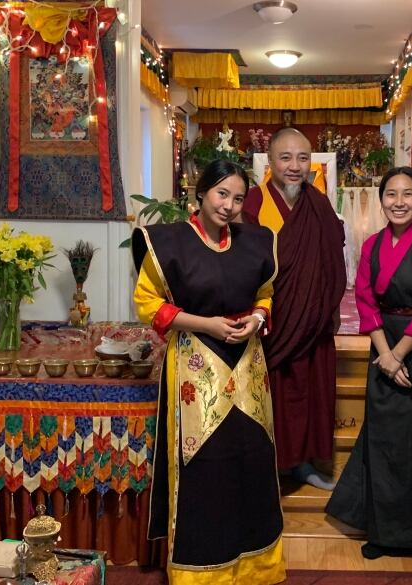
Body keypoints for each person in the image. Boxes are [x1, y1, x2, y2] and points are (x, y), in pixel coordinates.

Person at [132, 160, 285, 585]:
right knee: (202, 465)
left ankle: (256, 566)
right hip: (196, 366)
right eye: (222, 194)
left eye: (238, 198)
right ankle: (200, 572)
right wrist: (207, 324)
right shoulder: (169, 243)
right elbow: (150, 305)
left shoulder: (256, 241)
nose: (229, 205)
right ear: (199, 194)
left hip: (248, 363)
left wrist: (256, 319)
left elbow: (265, 294)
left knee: (251, 459)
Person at [326, 167, 412, 559]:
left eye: (408, 194)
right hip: (383, 346)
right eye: (391, 195)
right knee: (382, 441)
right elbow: (365, 299)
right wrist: (384, 353)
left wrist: (398, 355)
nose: (399, 202)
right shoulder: (373, 245)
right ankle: (382, 533)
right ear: (381, 200)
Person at [242, 127, 346, 490]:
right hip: (268, 320)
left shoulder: (318, 204)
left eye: (303, 158)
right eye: (285, 157)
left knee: (309, 394)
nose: (294, 165)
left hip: (311, 321)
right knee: (271, 394)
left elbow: (332, 259)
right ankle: (265, 465)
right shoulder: (252, 201)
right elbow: (242, 261)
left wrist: (321, 307)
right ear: (269, 162)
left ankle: (303, 464)